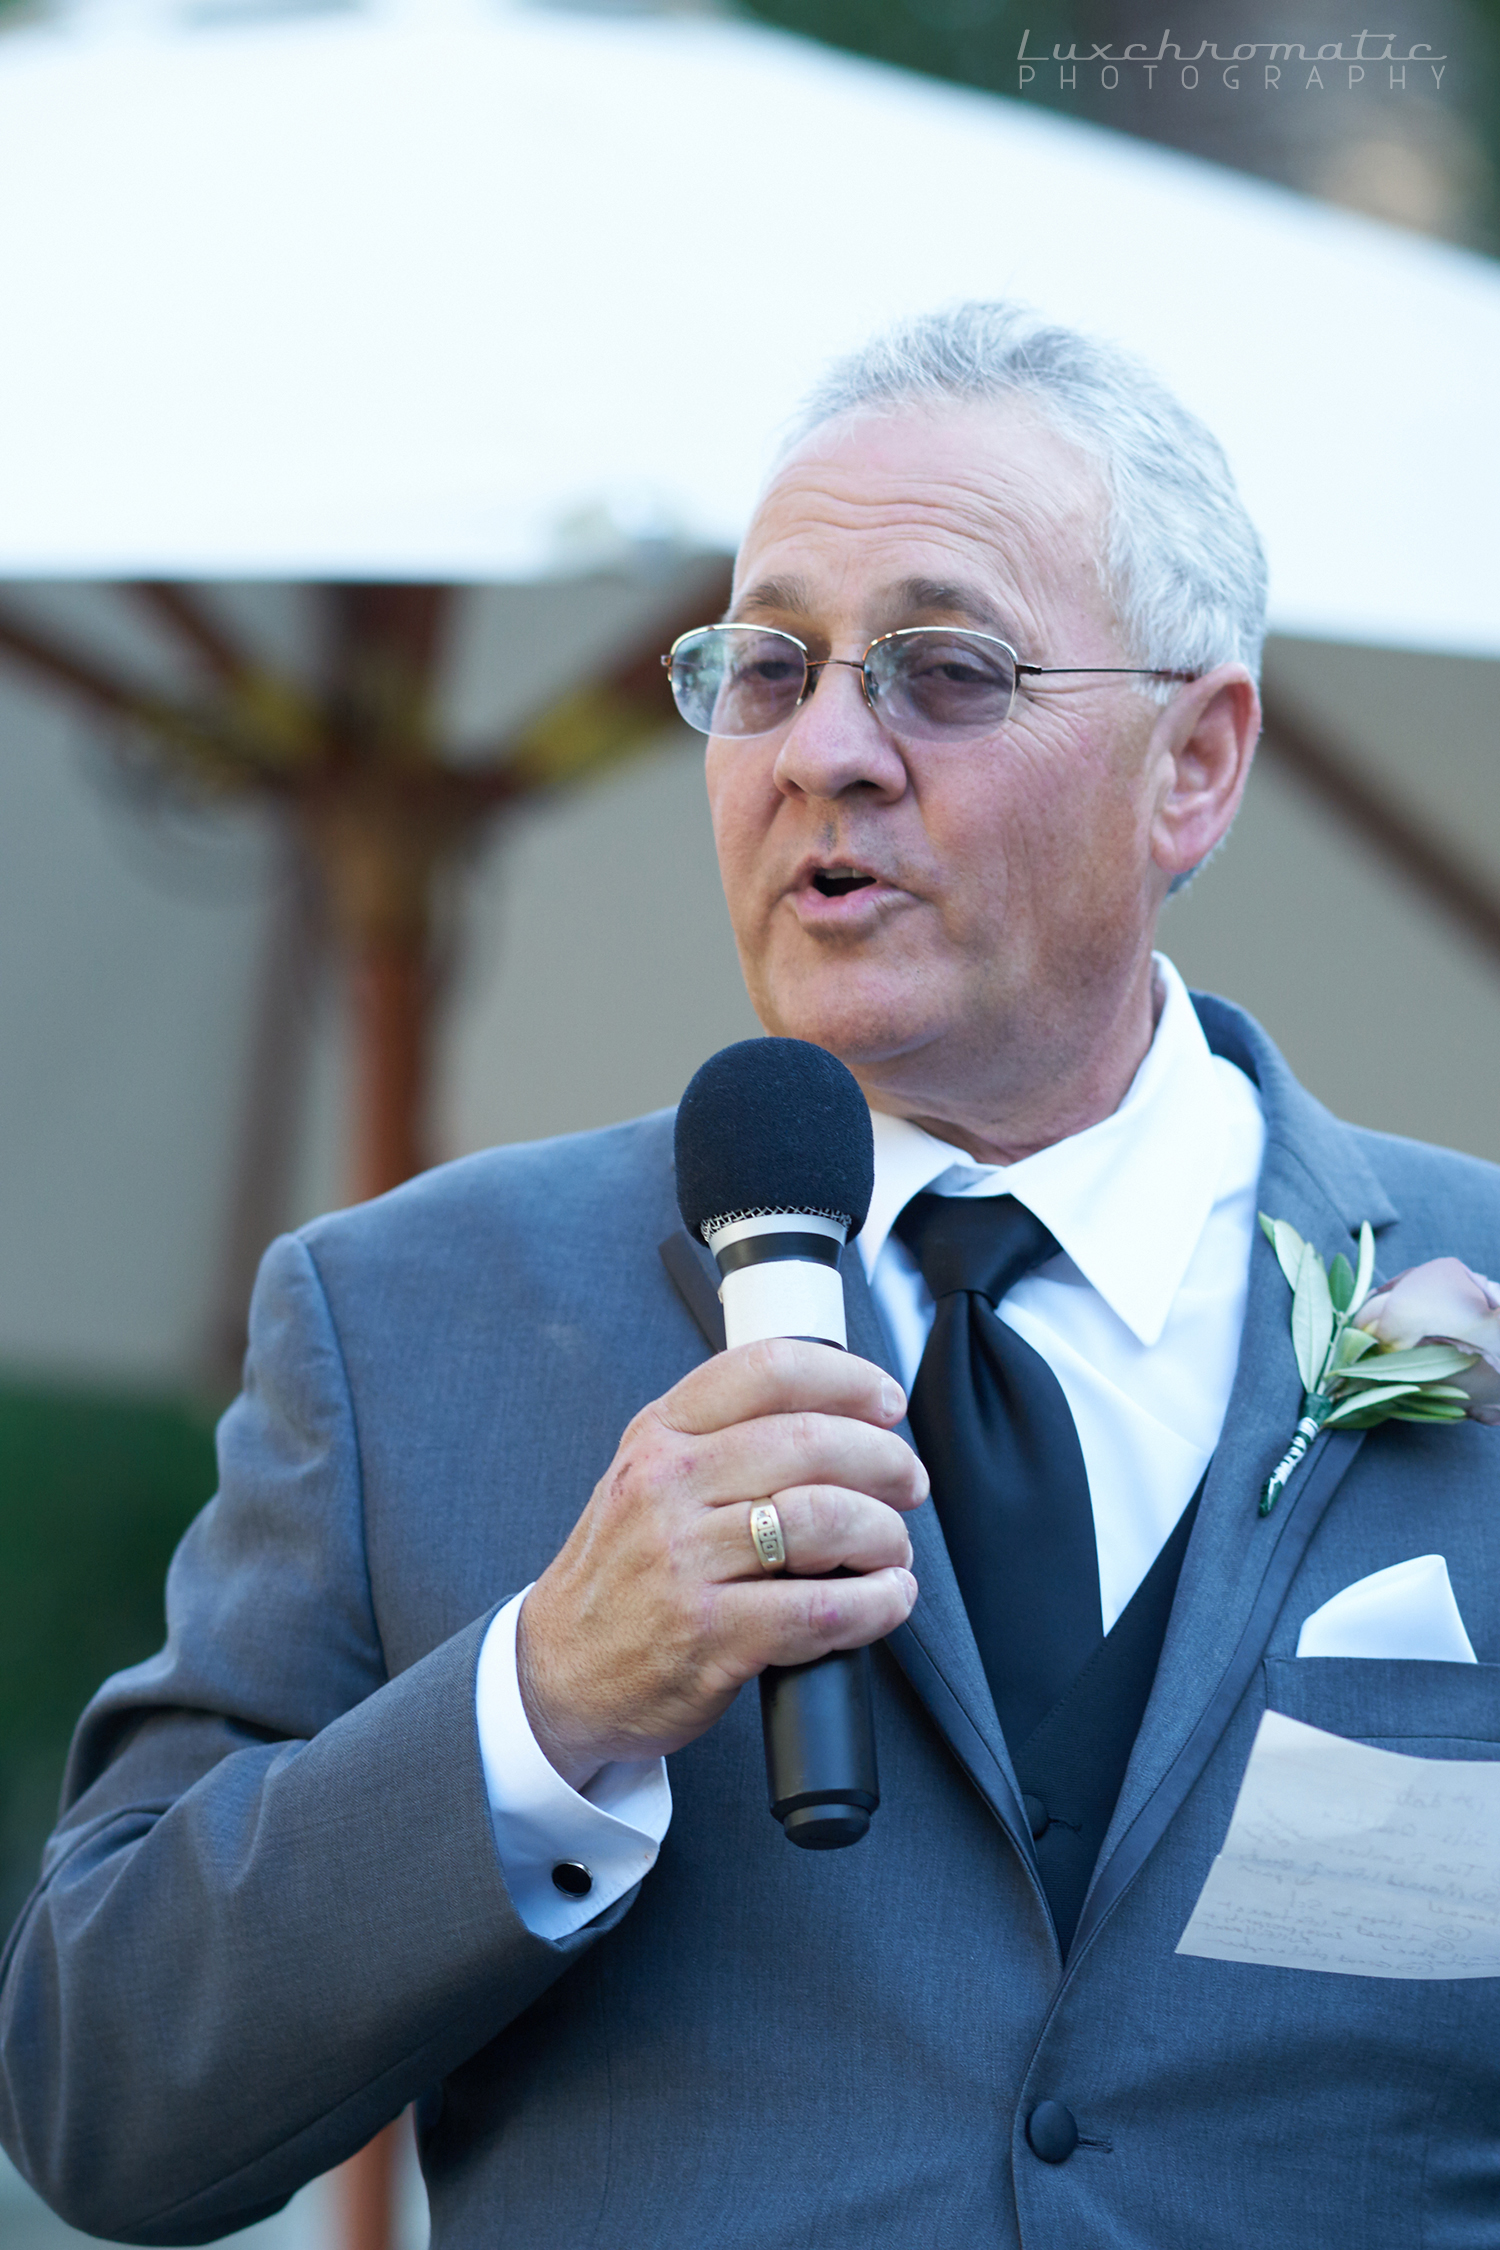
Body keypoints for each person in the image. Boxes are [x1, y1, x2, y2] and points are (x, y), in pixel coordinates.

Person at [4, 302, 1499, 2249]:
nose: (827, 754)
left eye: (945, 672)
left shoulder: (1464, 1293)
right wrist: (548, 1706)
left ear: (1195, 764)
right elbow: (106, 2101)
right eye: (768, 669)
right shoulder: (409, 1323)